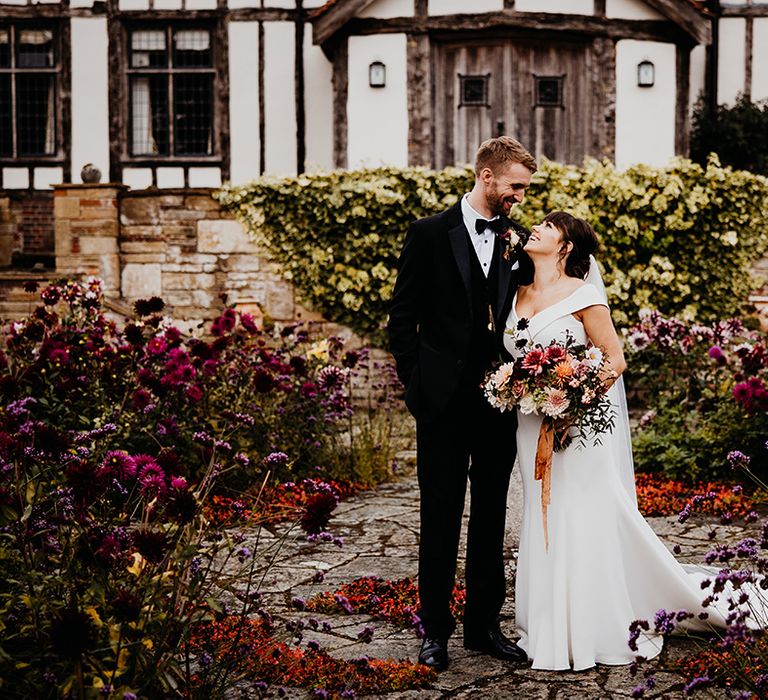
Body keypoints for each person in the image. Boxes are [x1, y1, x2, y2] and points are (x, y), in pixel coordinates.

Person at [506, 211, 764, 670]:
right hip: (531, 425)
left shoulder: (584, 295)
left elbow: (614, 359)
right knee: (542, 514)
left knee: (582, 514)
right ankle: (548, 622)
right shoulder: (517, 291)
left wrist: (573, 404)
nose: (537, 229)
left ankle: (592, 624)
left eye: (548, 226)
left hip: (577, 428)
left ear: (565, 247)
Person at [387, 136, 536, 671]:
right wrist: (416, 386)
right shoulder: (428, 234)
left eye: (526, 187)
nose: (521, 195)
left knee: (492, 513)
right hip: (441, 403)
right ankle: (434, 632)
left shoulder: (518, 240)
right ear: (487, 176)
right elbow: (401, 320)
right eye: (516, 185)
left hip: (499, 402)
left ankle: (483, 627)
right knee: (440, 514)